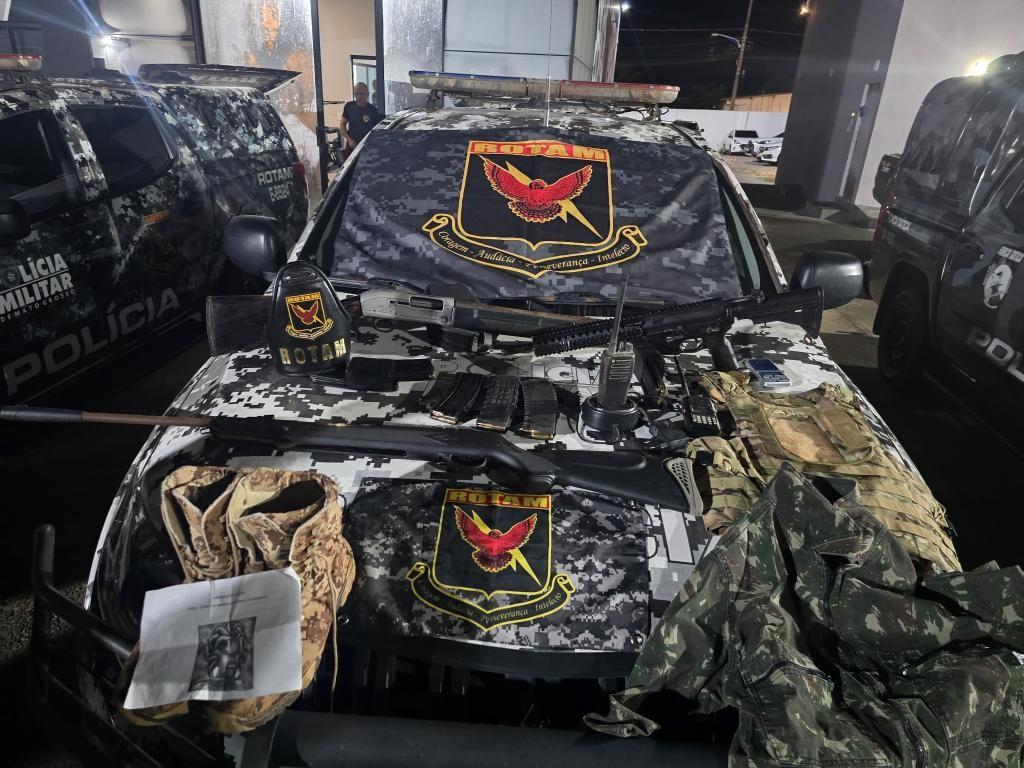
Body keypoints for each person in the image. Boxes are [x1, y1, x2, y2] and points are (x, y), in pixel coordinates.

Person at [339, 82, 381, 152]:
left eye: (362, 94)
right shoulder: (349, 106)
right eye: (356, 94)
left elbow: (377, 131)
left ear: (367, 94)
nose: (359, 97)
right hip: (351, 147)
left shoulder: (373, 110)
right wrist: (349, 139)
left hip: (367, 148)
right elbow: (342, 125)